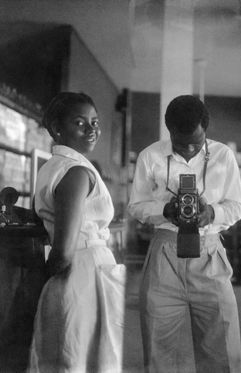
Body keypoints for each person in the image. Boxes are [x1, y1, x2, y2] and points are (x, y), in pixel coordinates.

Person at [128, 95, 241, 373]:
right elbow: (136, 205)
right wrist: (164, 211)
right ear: (169, 131)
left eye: (197, 141)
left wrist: (212, 214)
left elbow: (238, 205)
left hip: (209, 252)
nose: (191, 149)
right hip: (164, 255)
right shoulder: (150, 156)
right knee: (158, 347)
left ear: (206, 129)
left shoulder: (223, 155)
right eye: (182, 143)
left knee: (222, 346)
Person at [28, 92, 126, 373]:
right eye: (80, 123)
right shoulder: (76, 171)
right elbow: (64, 251)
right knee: (80, 358)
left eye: (94, 122)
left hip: (75, 275)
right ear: (58, 128)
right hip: (83, 273)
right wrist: (49, 278)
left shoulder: (52, 166)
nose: (92, 129)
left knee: (68, 357)